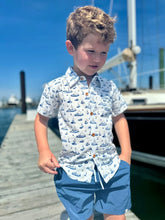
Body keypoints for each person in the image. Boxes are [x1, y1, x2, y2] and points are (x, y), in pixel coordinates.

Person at [34, 5, 132, 220]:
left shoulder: (109, 87)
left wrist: (126, 154)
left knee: (117, 216)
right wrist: (43, 151)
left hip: (112, 167)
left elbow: (119, 118)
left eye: (103, 53)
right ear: (71, 47)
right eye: (90, 51)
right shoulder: (56, 87)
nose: (97, 59)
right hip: (73, 171)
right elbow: (41, 119)